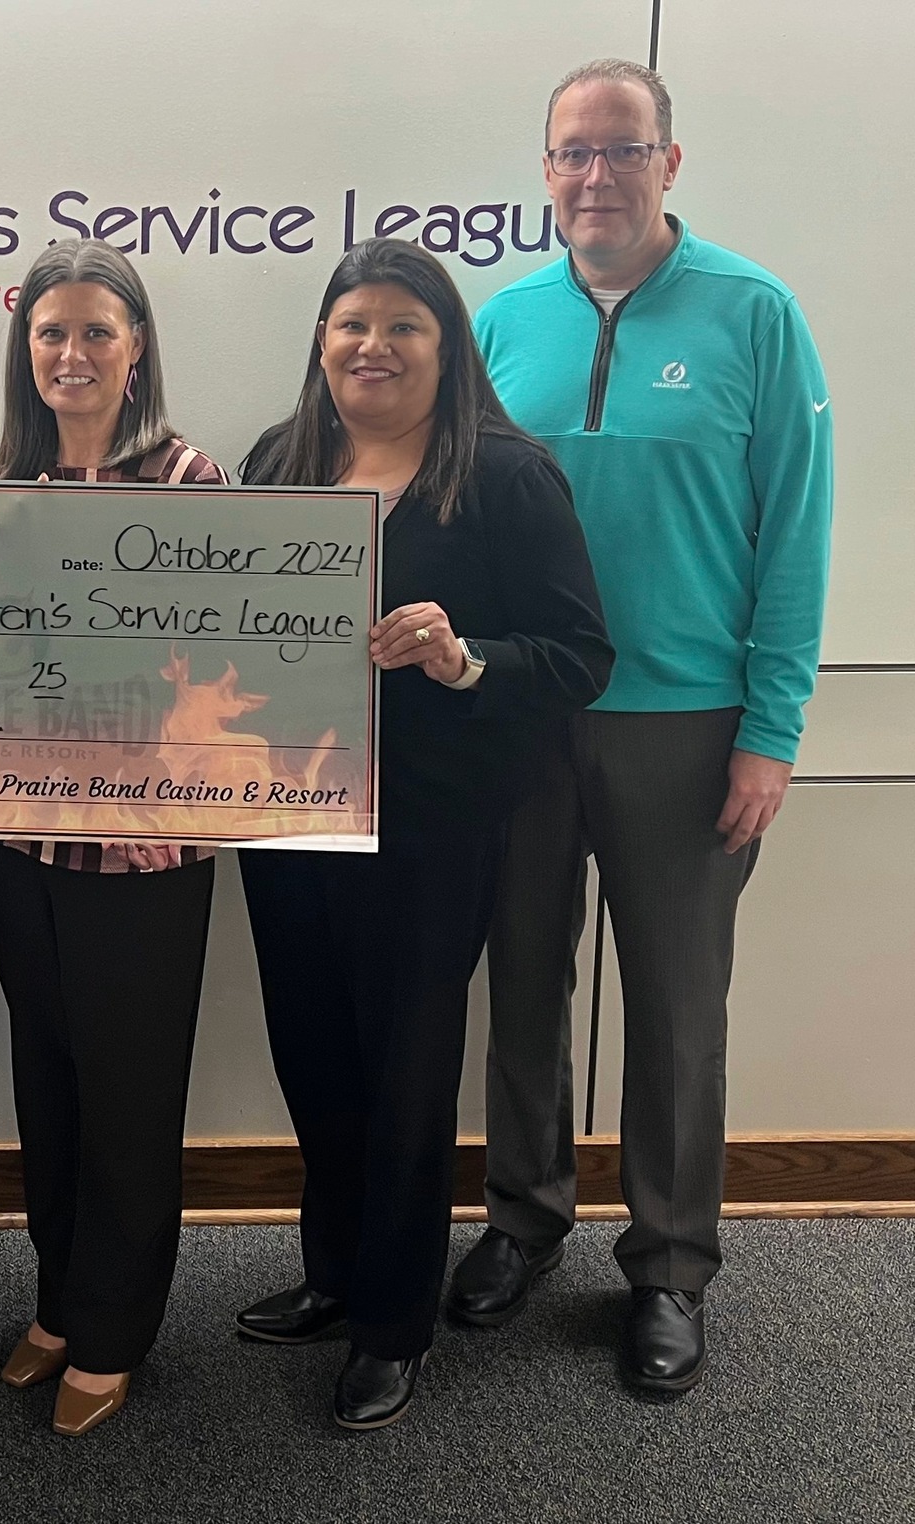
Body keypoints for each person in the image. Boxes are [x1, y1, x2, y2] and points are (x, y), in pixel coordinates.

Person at [454, 59, 834, 1392]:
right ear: (543, 170)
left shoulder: (753, 313)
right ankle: (522, 1218)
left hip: (687, 724)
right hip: (524, 717)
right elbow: (459, 516)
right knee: (523, 981)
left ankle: (669, 1265)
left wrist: (771, 730)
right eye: (572, 152)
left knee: (675, 1008)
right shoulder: (502, 322)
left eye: (622, 150)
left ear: (669, 162)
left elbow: (796, 534)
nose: (595, 176)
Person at [233, 238, 614, 1430]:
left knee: (403, 1074)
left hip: (429, 829)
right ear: (320, 342)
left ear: (445, 348)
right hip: (285, 816)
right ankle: (336, 1273)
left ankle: (391, 1325)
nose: (373, 346)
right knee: (311, 1054)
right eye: (352, 323)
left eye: (403, 325)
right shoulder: (277, 461)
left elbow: (578, 656)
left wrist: (462, 660)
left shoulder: (504, 476)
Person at [0, 239, 227, 1437]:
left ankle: (114, 1330)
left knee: (128, 1092)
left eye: (94, 332)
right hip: (18, 843)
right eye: (49, 333)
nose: (69, 354)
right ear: (24, 351)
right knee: (48, 1075)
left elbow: (224, 664)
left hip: (142, 852)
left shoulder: (190, 480)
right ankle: (59, 1301)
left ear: (135, 351)